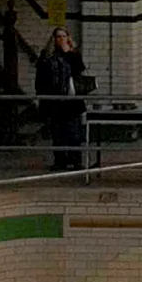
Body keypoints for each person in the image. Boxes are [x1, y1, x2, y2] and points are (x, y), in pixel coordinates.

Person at [35, 23, 91, 172]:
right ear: (53, 39)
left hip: (71, 100)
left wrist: (68, 53)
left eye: (63, 36)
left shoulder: (73, 54)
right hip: (54, 100)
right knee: (57, 133)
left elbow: (79, 69)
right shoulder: (47, 56)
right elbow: (40, 76)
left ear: (68, 38)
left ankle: (75, 160)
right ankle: (60, 160)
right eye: (58, 37)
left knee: (73, 132)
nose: (61, 39)